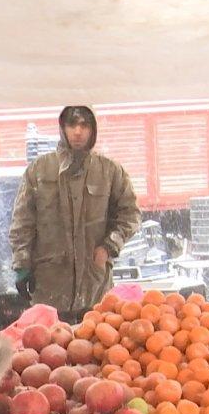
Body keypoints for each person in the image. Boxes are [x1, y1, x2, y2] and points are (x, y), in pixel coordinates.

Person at [9, 105, 141, 321]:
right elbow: (23, 222)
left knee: (95, 338)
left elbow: (130, 215)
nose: (78, 132)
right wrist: (22, 265)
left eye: (84, 125)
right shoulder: (40, 170)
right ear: (63, 128)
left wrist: (109, 247)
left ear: (93, 130)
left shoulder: (109, 171)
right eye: (72, 125)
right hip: (50, 283)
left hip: (94, 284)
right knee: (49, 341)